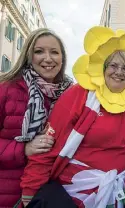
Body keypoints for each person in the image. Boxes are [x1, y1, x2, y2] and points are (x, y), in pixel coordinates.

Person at [21, 26, 125, 208]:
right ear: (103, 68)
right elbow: (47, 147)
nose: (119, 72)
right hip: (72, 195)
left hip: (115, 196)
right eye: (113, 65)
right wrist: (30, 192)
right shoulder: (79, 94)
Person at [0, 28, 72, 207]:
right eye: (39, 51)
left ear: (62, 59)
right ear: (28, 56)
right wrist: (23, 149)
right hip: (9, 194)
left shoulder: (72, 94)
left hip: (53, 192)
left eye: (54, 52)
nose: (48, 58)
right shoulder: (6, 89)